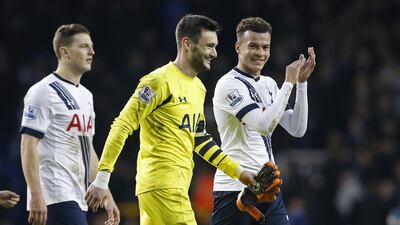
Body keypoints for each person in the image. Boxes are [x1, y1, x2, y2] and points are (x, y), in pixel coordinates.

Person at [85, 14, 256, 225]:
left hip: (167, 188)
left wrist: (239, 173)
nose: (214, 53)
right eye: (209, 46)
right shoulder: (158, 81)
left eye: (215, 46)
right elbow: (122, 124)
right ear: (187, 44)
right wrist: (102, 178)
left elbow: (200, 140)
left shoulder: (198, 88)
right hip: (164, 186)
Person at [211, 17, 316, 225]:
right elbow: (263, 125)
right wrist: (288, 83)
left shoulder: (268, 84)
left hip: (268, 187)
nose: (260, 53)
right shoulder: (228, 85)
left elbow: (297, 128)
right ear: (238, 47)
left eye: (265, 47)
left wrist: (301, 84)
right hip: (234, 190)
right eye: (253, 46)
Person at [20, 24, 120, 225]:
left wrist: (105, 191)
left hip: (78, 197)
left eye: (91, 46)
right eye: (83, 46)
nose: (91, 52)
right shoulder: (43, 91)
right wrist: (35, 194)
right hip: (55, 194)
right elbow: (28, 145)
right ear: (65, 52)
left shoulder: (86, 95)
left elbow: (87, 149)